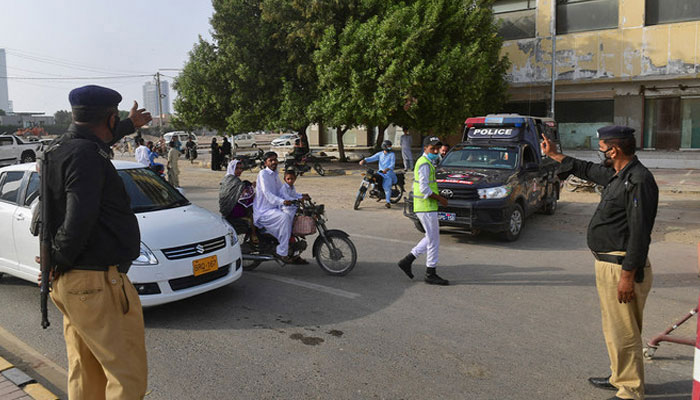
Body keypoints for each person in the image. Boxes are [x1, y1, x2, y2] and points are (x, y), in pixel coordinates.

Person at [43, 85, 151, 399]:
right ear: (110, 117)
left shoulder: (58, 148)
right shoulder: (87, 156)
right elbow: (79, 219)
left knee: (86, 374)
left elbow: (92, 141)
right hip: (97, 283)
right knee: (126, 377)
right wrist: (58, 259)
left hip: (73, 283)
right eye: (116, 121)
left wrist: (55, 264)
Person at [541, 126, 658, 400]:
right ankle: (619, 376)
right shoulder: (619, 174)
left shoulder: (639, 180)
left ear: (614, 150)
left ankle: (629, 390)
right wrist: (557, 156)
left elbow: (640, 233)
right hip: (610, 264)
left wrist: (628, 275)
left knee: (625, 331)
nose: (601, 152)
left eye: (602, 147)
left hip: (622, 267)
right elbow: (587, 170)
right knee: (614, 328)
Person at [397, 136, 450, 285]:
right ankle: (430, 273)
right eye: (432, 148)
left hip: (427, 206)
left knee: (431, 237)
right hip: (426, 205)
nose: (435, 151)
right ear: (425, 148)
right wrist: (441, 199)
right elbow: (425, 188)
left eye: (436, 148)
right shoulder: (424, 164)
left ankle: (407, 261)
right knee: (434, 240)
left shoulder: (428, 162)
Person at [253, 152, 308, 264]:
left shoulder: (275, 175)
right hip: (264, 210)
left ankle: (293, 251)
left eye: (275, 159)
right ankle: (282, 252)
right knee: (284, 218)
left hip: (275, 207)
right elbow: (267, 193)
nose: (274, 162)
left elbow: (282, 191)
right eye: (271, 160)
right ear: (265, 163)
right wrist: (282, 201)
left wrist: (301, 196)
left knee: (294, 216)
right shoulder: (263, 174)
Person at [219, 159, 256, 239]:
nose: (240, 170)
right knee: (253, 212)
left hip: (228, 209)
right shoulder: (233, 180)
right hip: (232, 211)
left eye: (241, 168)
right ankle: (254, 236)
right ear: (232, 168)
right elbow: (244, 196)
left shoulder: (228, 179)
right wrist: (252, 187)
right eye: (237, 168)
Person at [359, 140, 398, 208]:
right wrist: (364, 160)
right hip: (380, 172)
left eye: (390, 146)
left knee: (386, 187)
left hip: (388, 173)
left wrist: (387, 169)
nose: (390, 147)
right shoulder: (380, 154)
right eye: (388, 146)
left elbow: (392, 164)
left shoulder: (392, 154)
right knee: (373, 179)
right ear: (384, 146)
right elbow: (372, 158)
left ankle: (388, 202)